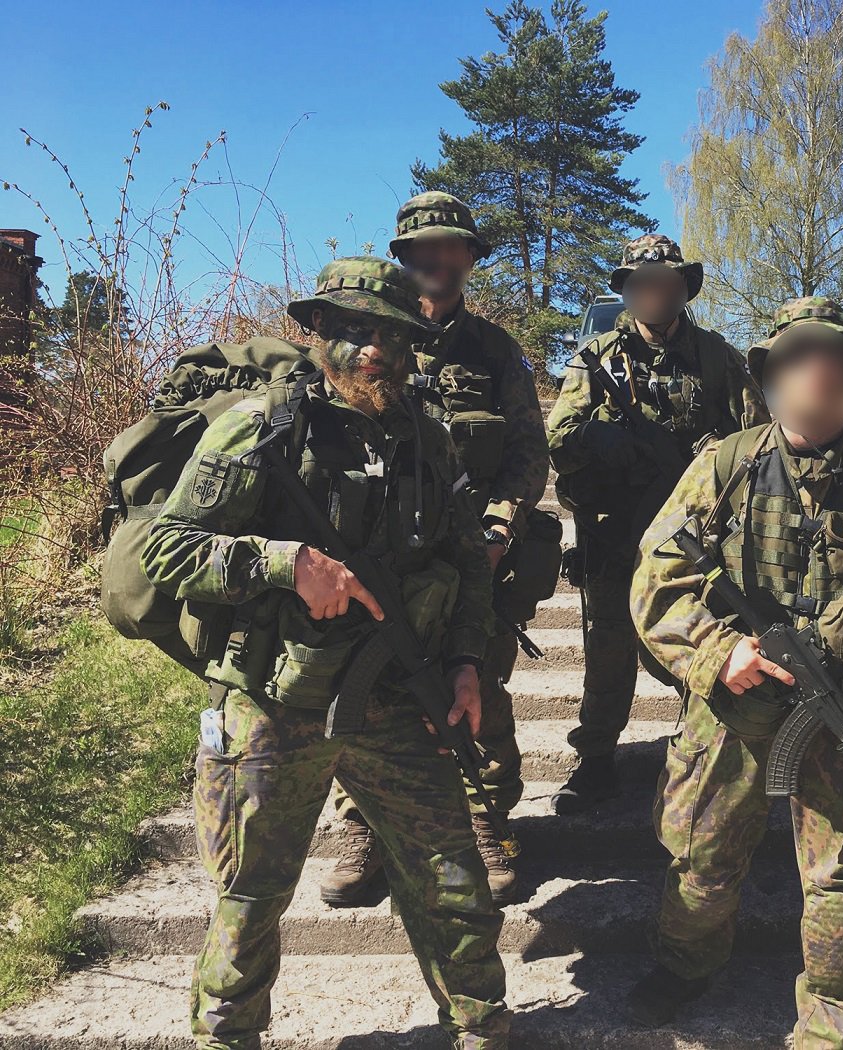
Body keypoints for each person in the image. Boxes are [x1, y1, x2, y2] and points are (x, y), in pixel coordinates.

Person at [142, 257, 509, 1049]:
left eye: (391, 334)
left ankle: (481, 1028)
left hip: (395, 702)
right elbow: (163, 550)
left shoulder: (426, 439)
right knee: (251, 899)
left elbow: (465, 560)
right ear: (318, 335)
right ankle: (225, 1040)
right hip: (274, 704)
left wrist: (468, 662)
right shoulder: (264, 426)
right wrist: (285, 565)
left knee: (454, 885)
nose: (373, 348)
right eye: (352, 330)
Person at [626, 296, 843, 1047]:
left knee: (842, 885)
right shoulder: (725, 467)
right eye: (801, 357)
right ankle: (684, 966)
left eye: (836, 359)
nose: (819, 372)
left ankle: (835, 1023)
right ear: (773, 374)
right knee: (701, 864)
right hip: (735, 710)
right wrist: (718, 653)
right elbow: (654, 582)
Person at [319, 191, 548, 906]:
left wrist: (501, 528)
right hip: (379, 555)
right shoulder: (362, 341)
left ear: (469, 260)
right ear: (404, 258)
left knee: (479, 682)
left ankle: (487, 818)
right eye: (424, 249)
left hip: (475, 554)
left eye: (451, 248)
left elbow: (527, 456)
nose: (437, 260)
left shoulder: (495, 352)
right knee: (363, 690)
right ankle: (362, 826)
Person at [545, 234, 767, 812]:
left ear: (682, 290)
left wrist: (717, 455)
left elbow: (761, 438)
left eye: (665, 284)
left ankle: (702, 754)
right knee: (609, 648)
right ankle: (595, 760)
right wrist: (600, 436)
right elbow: (558, 437)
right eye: (643, 284)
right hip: (616, 530)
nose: (654, 294)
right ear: (627, 290)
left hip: (697, 538)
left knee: (700, 639)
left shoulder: (717, 356)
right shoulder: (597, 357)